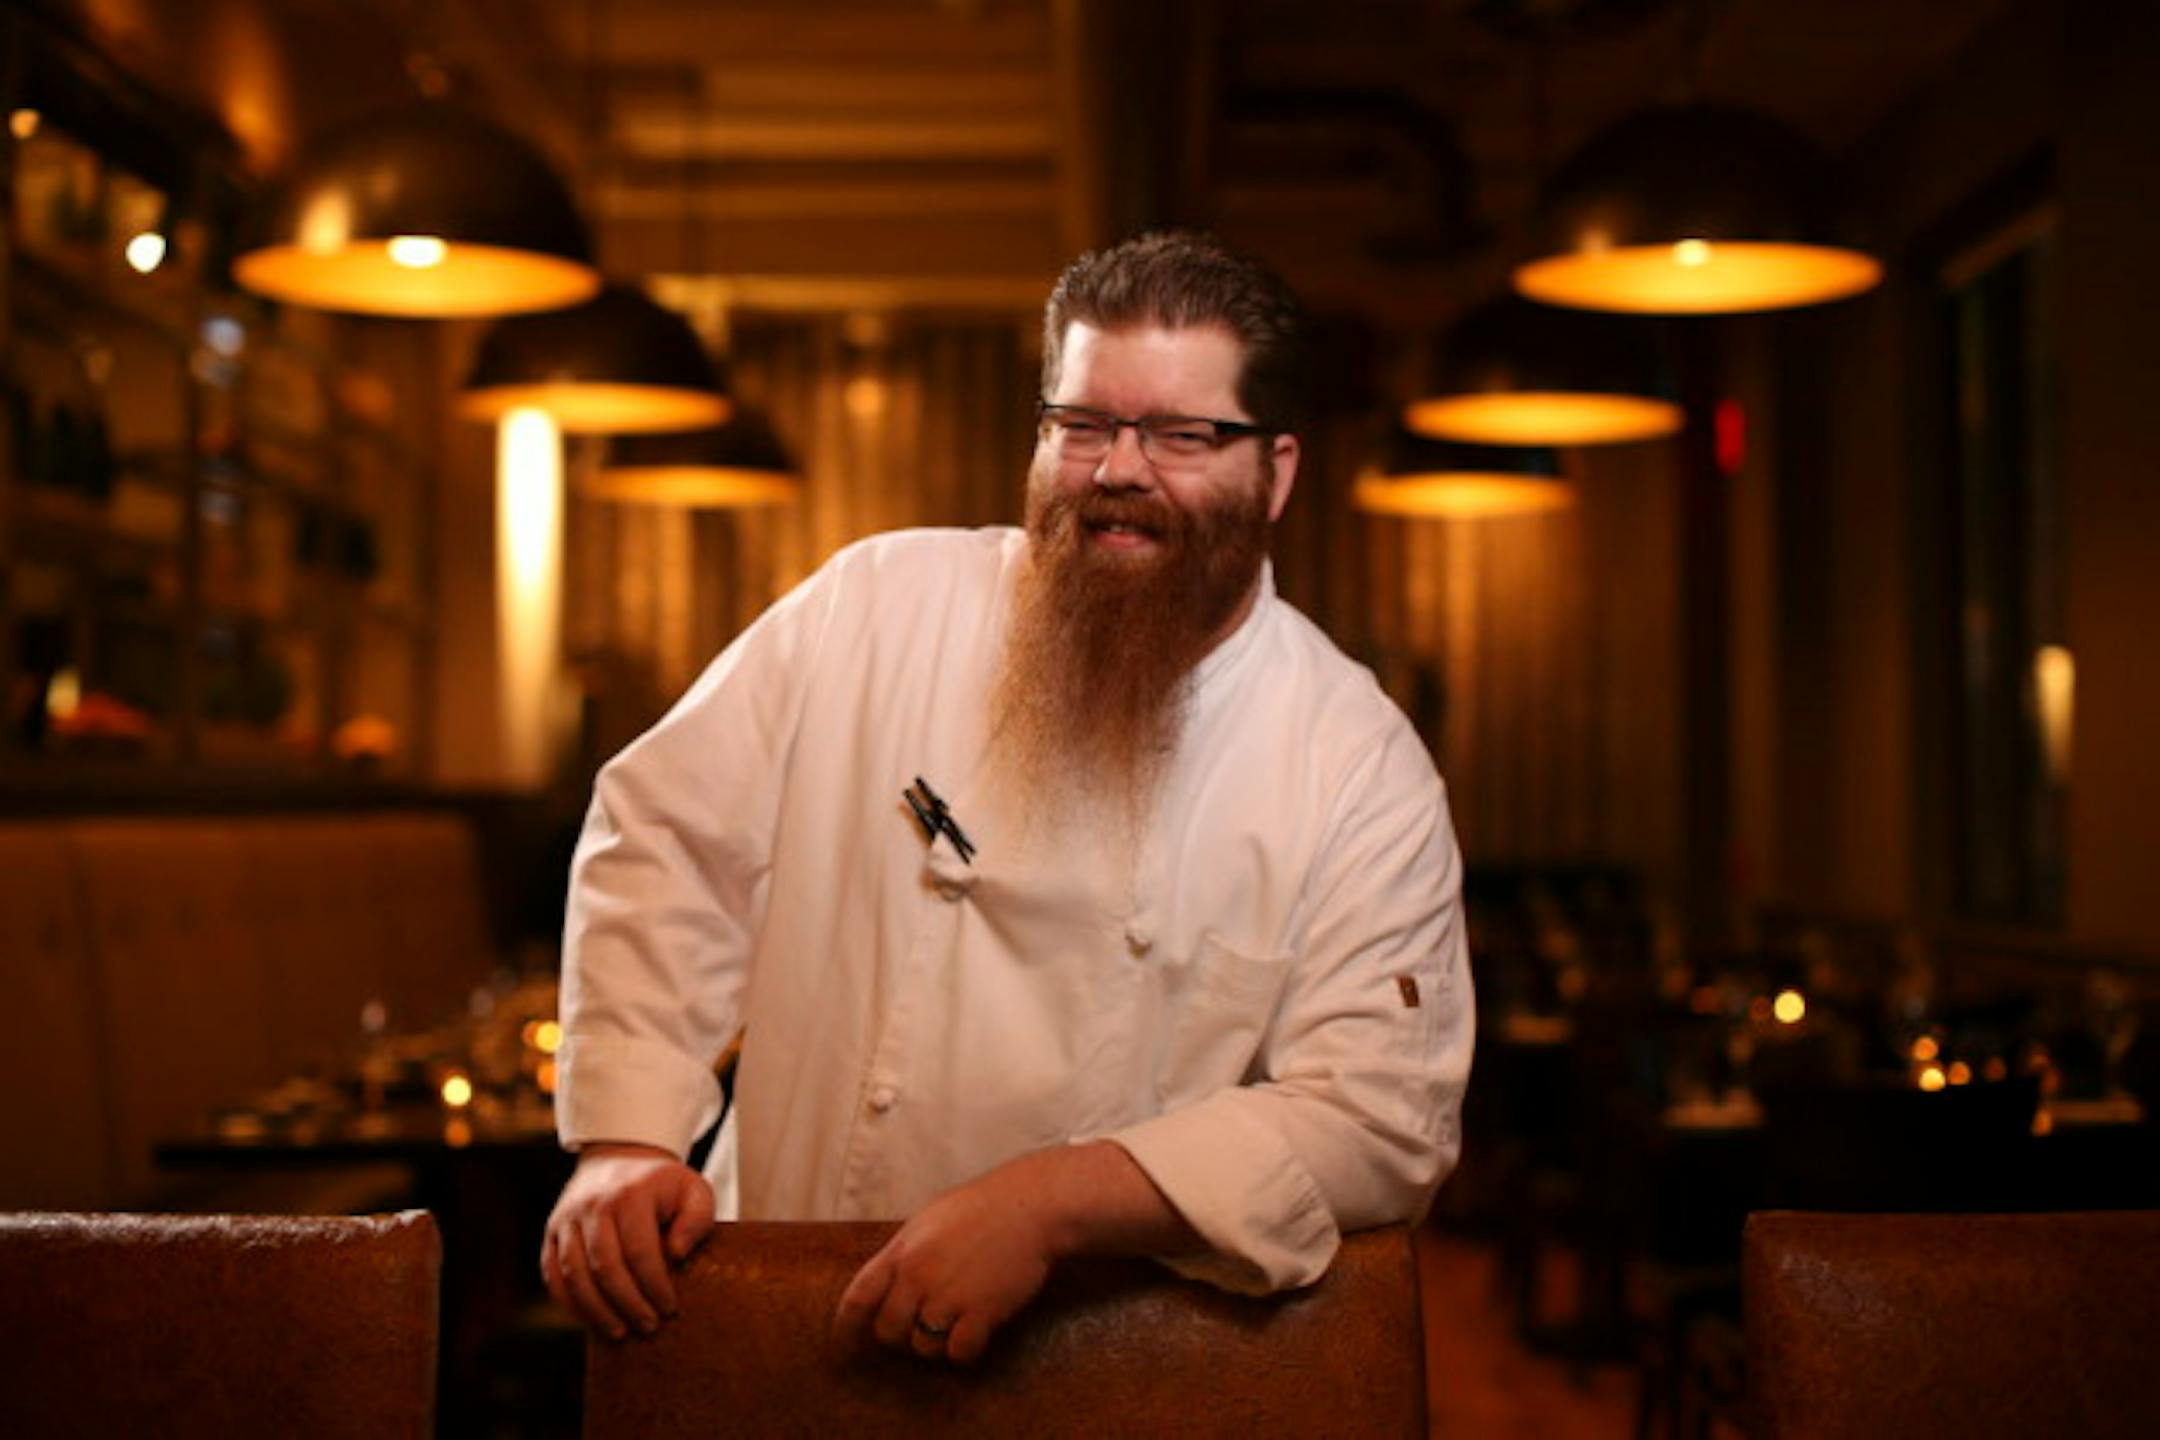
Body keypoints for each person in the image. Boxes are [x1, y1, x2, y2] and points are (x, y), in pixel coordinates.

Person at [541, 230, 1475, 1365]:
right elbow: (666, 840)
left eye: (1182, 435)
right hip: (782, 1309)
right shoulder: (877, 607)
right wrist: (628, 1137)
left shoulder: (1353, 762)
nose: (1120, 469)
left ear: (1275, 474)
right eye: (1083, 424)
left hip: (1095, 1360)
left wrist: (1050, 1204)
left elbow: (1380, 1115)